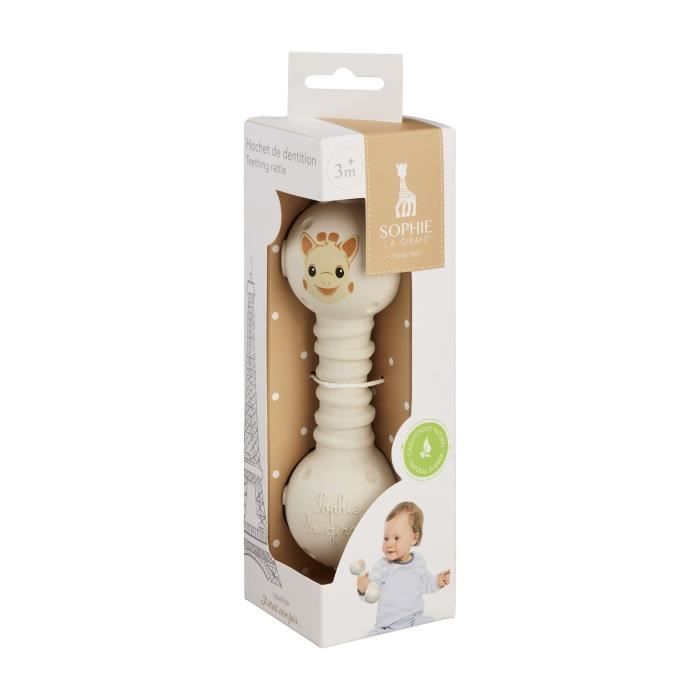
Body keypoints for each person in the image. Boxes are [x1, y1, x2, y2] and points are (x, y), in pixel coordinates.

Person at [357, 501, 450, 635]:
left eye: (396, 538)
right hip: (386, 627)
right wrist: (364, 589)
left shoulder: (418, 562)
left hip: (414, 620)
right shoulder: (382, 566)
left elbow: (425, 583)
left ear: (414, 538)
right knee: (370, 637)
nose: (389, 544)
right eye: (386, 538)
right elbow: (372, 594)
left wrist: (437, 581)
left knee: (431, 623)